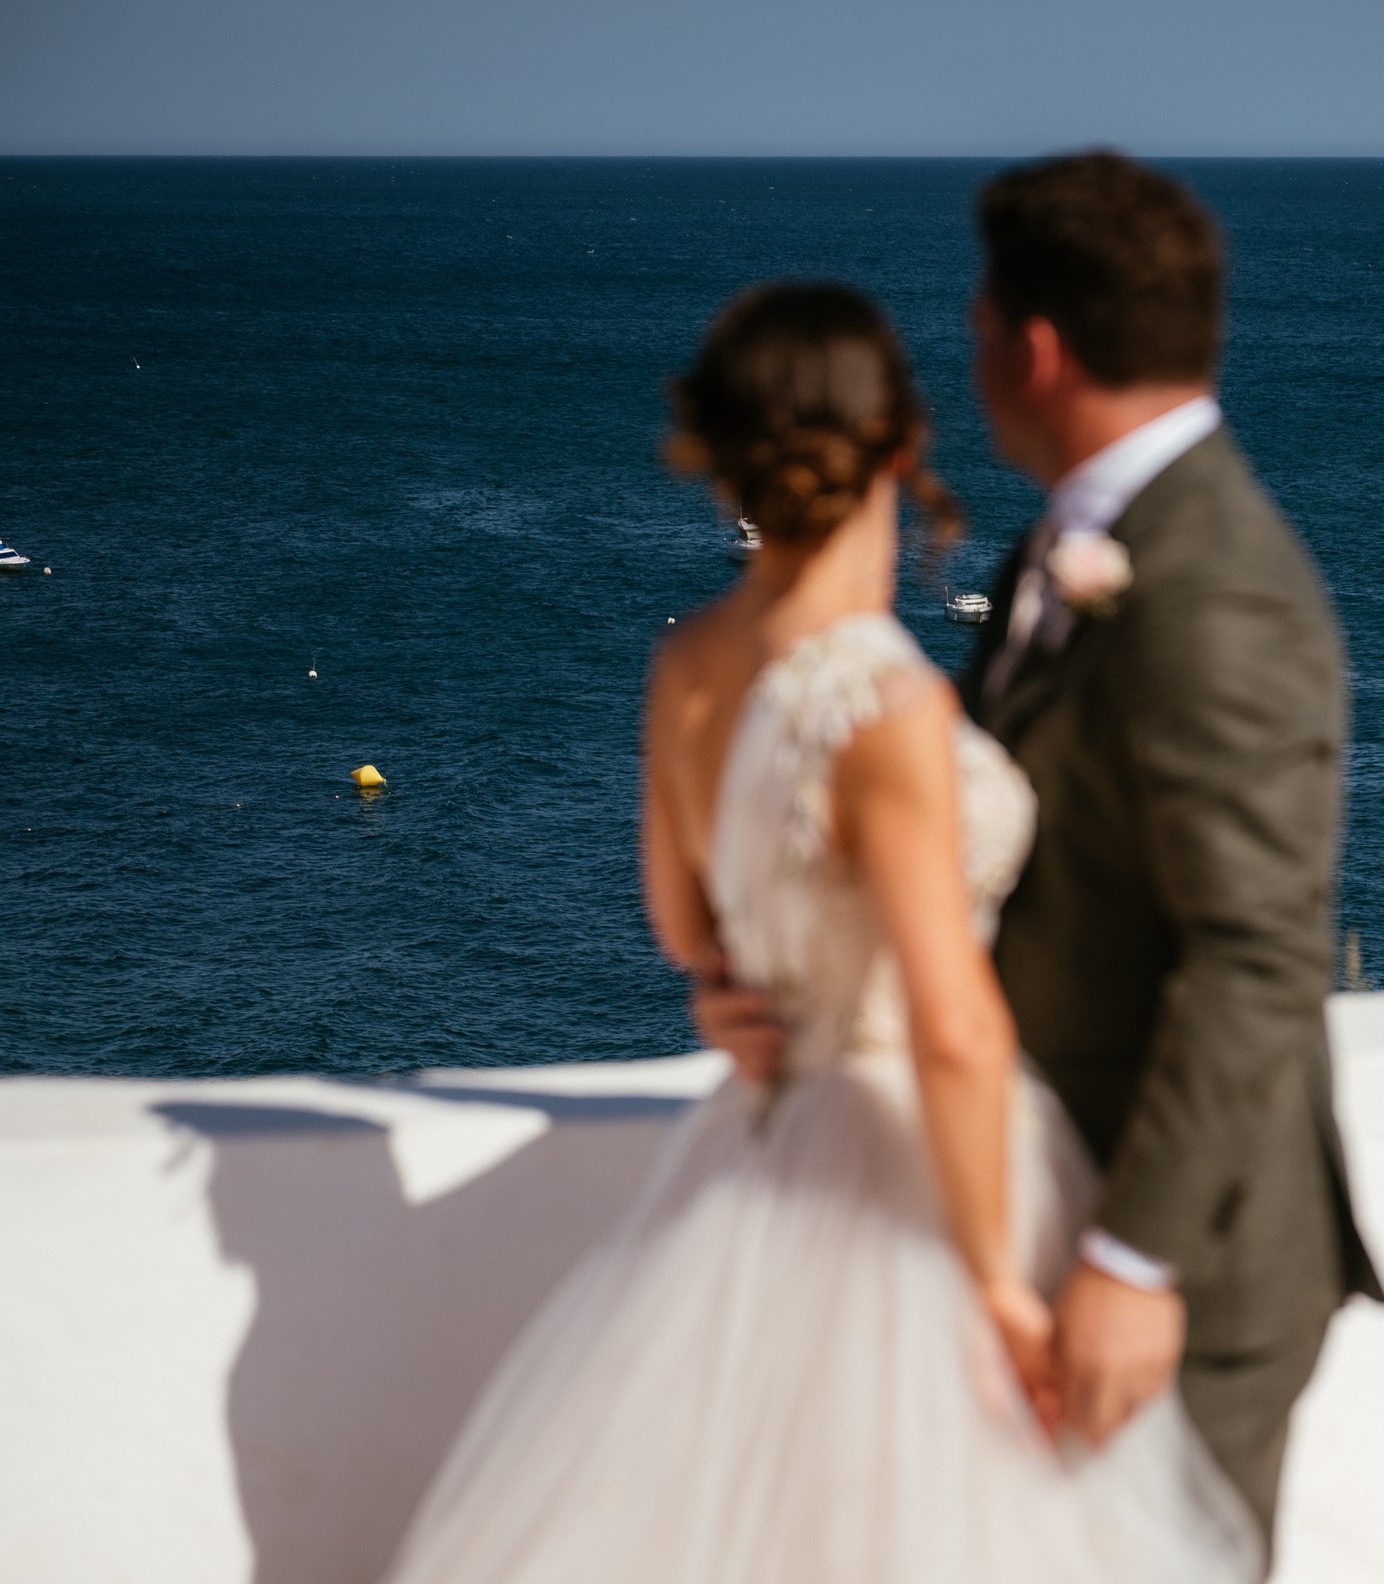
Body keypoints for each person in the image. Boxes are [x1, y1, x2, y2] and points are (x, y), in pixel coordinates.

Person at [385, 283, 1259, 1583]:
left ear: (724, 456)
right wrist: (1003, 1292)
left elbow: (691, 931)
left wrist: (742, 995)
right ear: (902, 447)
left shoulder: (686, 663)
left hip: (757, 1154)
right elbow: (954, 1029)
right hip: (915, 1183)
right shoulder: (881, 702)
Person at [702, 152, 1384, 1564]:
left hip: (1174, 1264)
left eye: (976, 319)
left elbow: (1256, 955)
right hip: (1035, 1203)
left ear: (1037, 346)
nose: (967, 346)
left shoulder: (1217, 591)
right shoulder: (1063, 550)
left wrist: (1134, 1264)